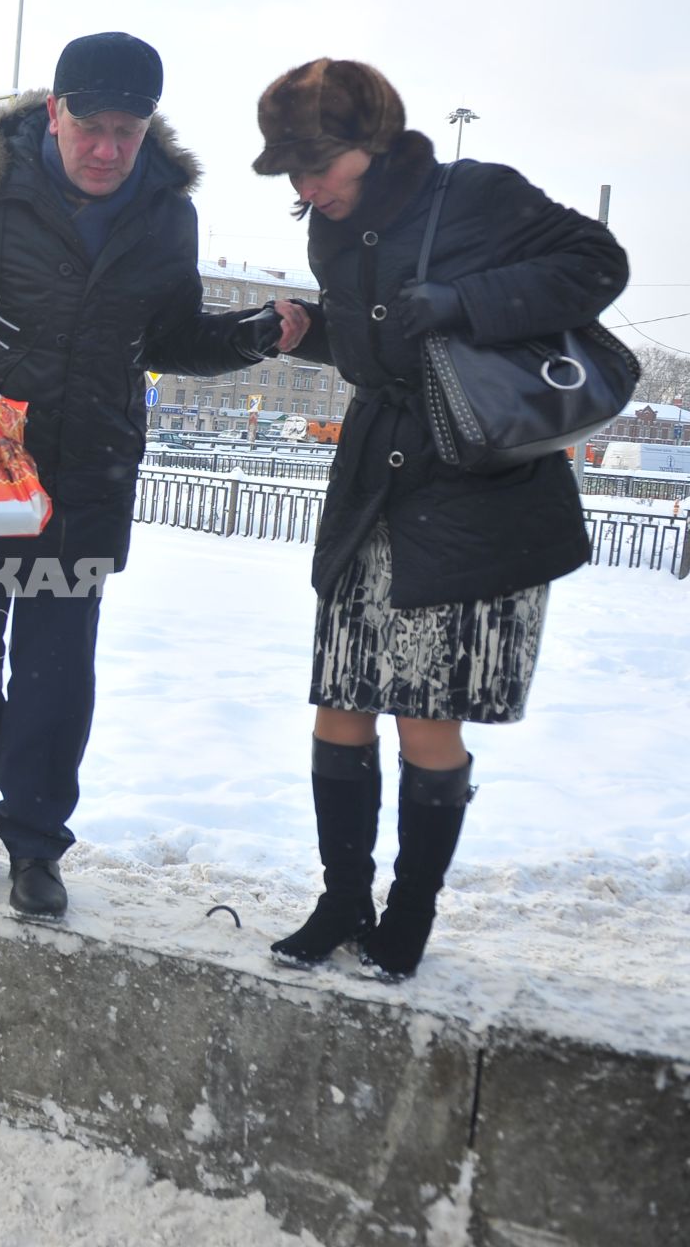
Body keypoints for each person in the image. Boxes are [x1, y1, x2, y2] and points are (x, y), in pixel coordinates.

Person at [0, 32, 292, 918]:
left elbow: (165, 337)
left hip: (86, 481)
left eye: (128, 131)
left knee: (58, 673)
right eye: (91, 126)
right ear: (55, 111)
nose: (107, 149)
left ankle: (38, 848)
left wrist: (251, 334)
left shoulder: (165, 210)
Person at [252, 59, 628, 979]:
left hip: (470, 487)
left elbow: (599, 264)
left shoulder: (479, 195)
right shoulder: (330, 237)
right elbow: (381, 351)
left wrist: (467, 301)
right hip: (372, 486)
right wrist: (319, 328)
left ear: (373, 143)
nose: (307, 188)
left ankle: (408, 910)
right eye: (292, 172)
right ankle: (342, 901)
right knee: (340, 700)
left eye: (319, 165)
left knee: (425, 713)